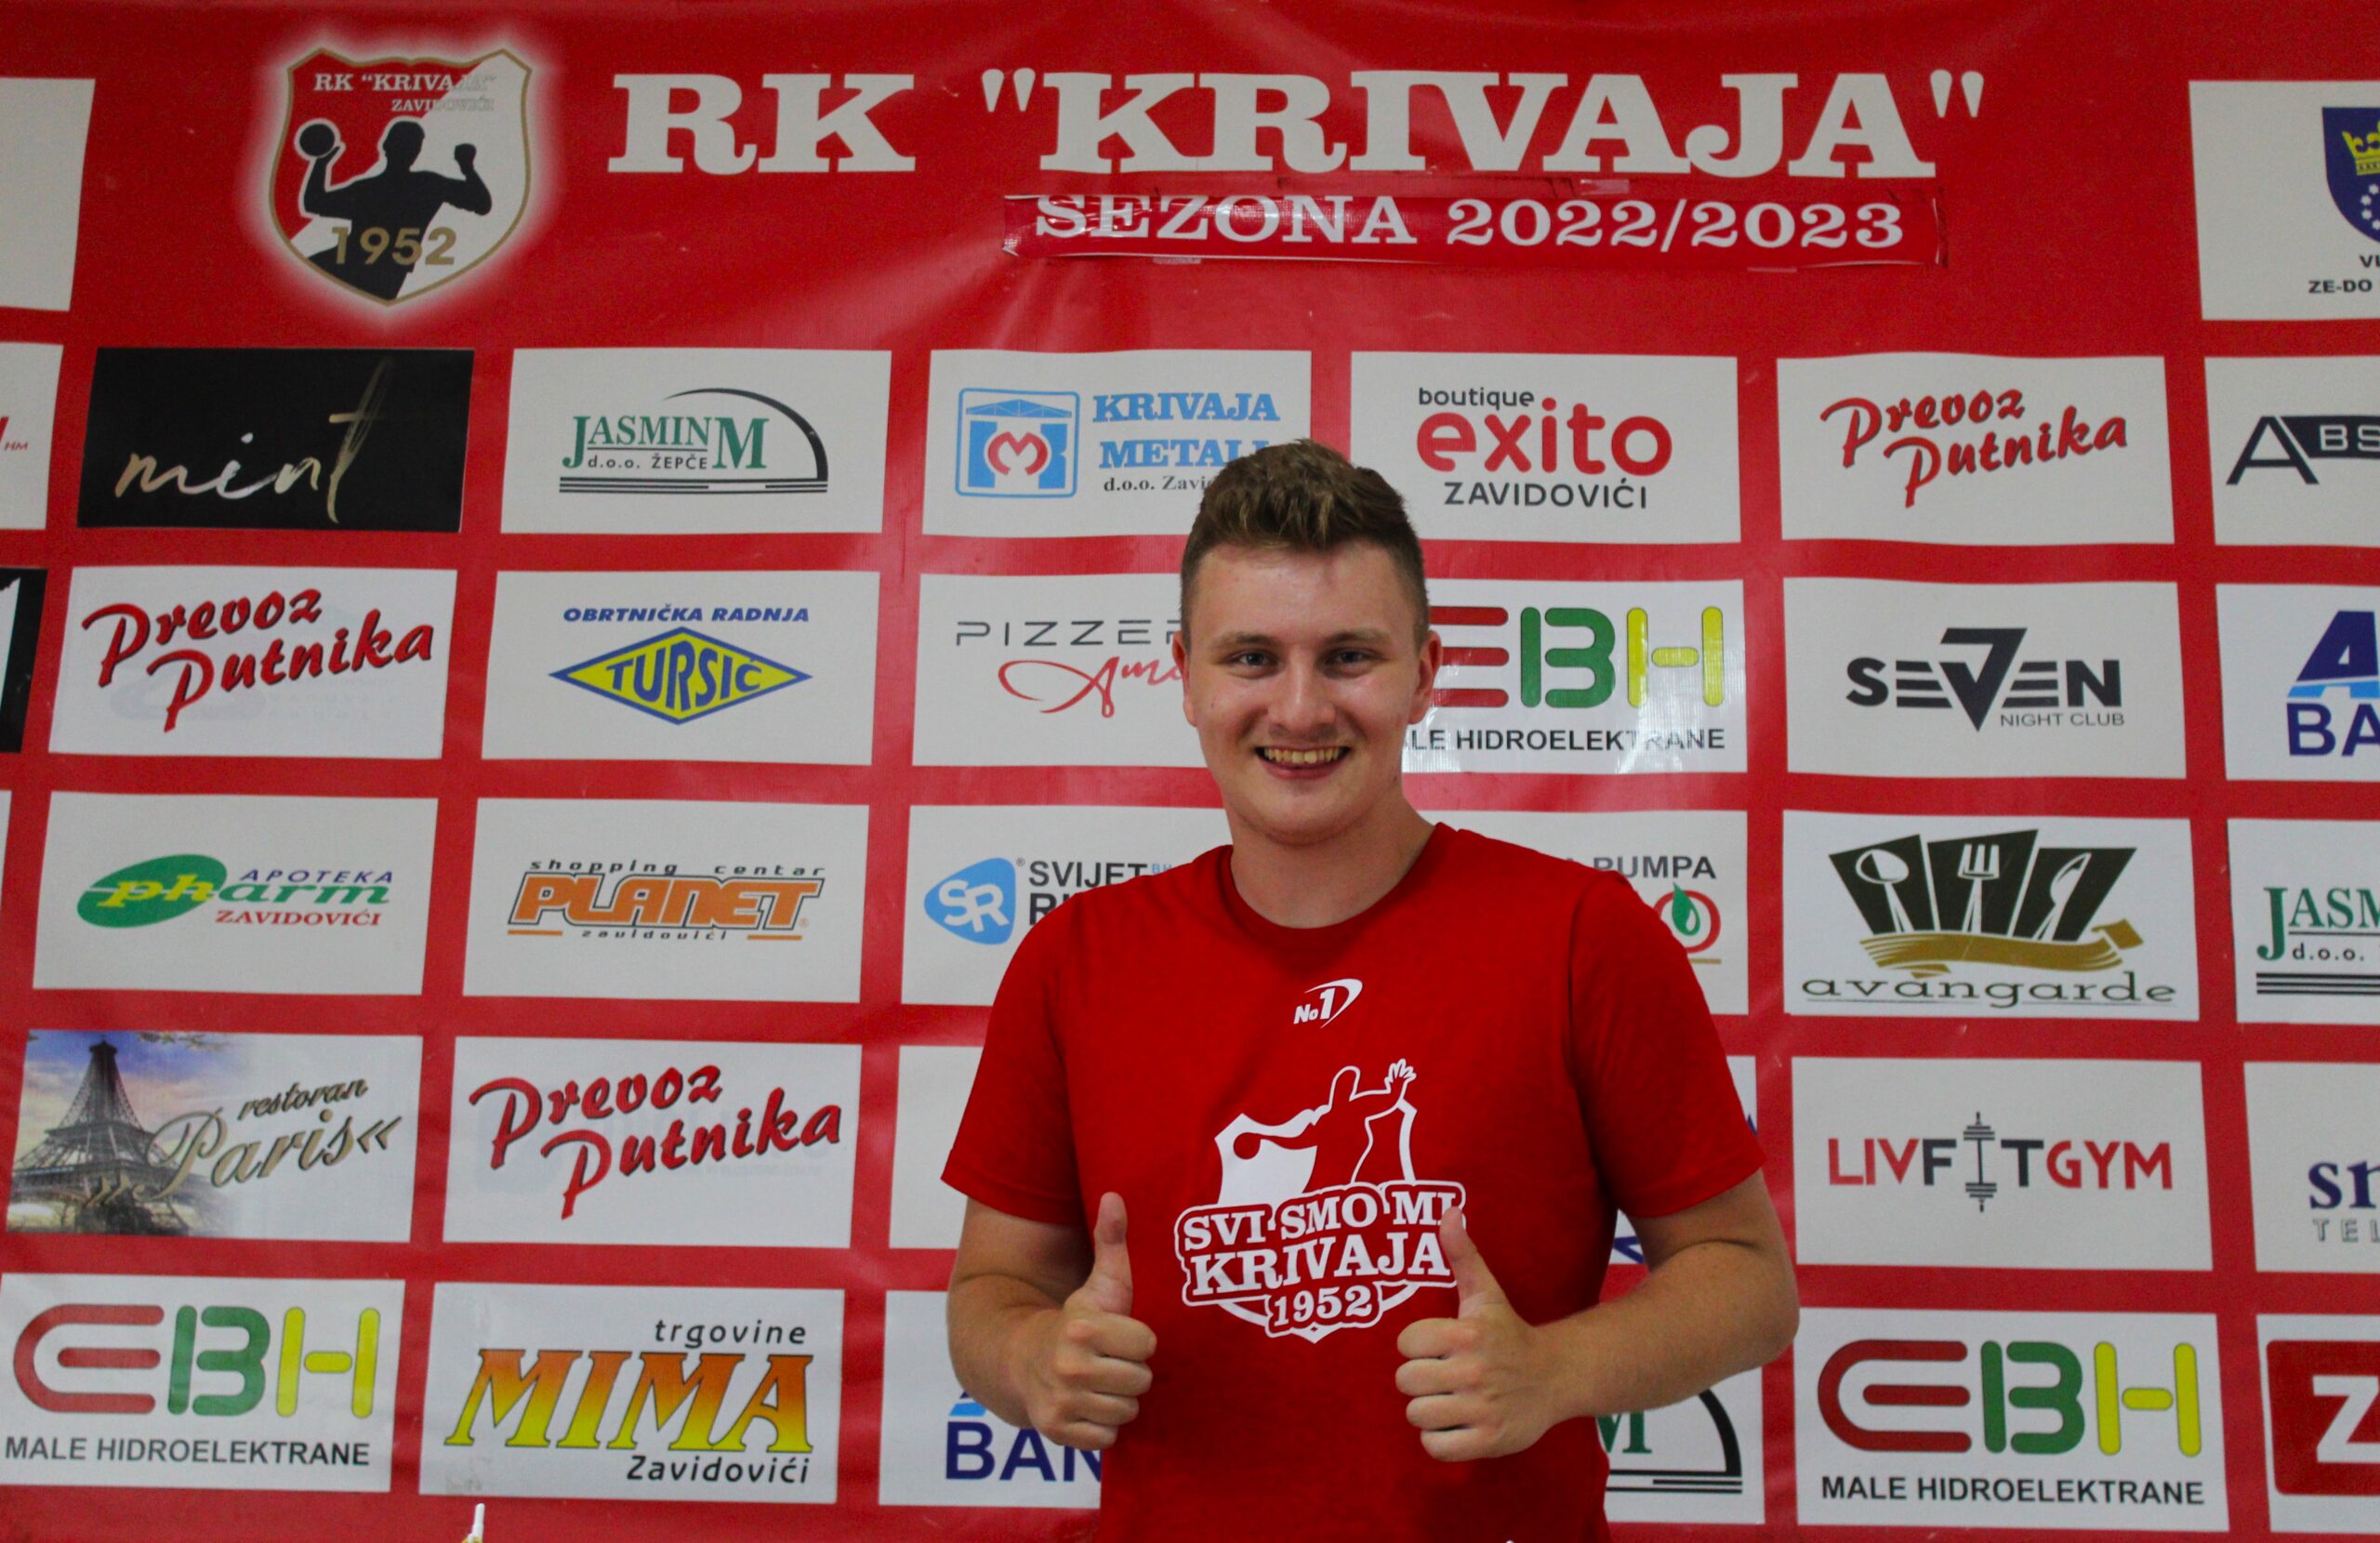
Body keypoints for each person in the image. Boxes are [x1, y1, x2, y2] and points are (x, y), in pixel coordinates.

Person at [943, 439, 1794, 1539]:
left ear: (1425, 673)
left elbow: (1747, 1281)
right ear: (1185, 674)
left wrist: (1556, 1368)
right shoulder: (1077, 957)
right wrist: (1029, 1356)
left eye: (1348, 656)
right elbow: (990, 1291)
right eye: (1251, 657)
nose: (1299, 709)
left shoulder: (1580, 934)